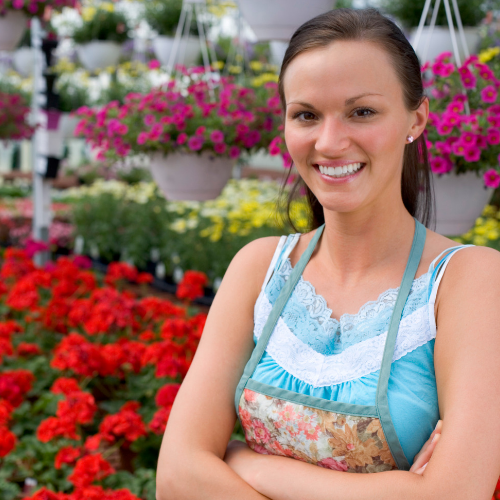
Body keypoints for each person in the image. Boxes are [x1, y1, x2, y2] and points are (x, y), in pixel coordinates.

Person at [156, 8, 500, 500]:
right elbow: (175, 475)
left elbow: (453, 494)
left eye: (362, 112)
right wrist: (399, 490)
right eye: (306, 115)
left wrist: (247, 465)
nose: (330, 142)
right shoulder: (259, 269)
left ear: (415, 118)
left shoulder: (468, 280)